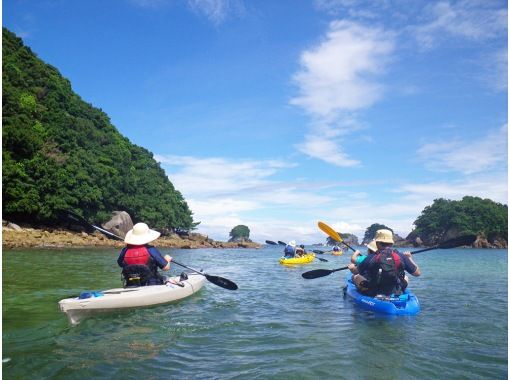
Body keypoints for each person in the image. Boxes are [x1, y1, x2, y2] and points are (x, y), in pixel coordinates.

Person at [352, 229, 421, 296]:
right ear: (391, 243)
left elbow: (356, 271)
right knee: (406, 277)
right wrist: (409, 258)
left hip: (374, 292)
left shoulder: (370, 258)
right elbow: (417, 273)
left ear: (377, 243)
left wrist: (352, 268)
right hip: (397, 291)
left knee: (356, 277)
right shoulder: (401, 256)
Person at [117, 222, 173, 286]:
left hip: (131, 285)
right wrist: (167, 259)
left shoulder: (125, 250)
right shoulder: (151, 250)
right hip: (151, 285)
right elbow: (165, 268)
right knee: (165, 277)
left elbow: (120, 264)